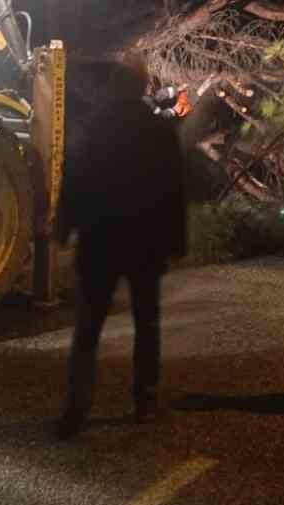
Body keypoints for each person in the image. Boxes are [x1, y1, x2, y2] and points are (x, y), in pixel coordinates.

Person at [55, 55, 188, 438]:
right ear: (142, 86)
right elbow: (172, 189)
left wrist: (65, 228)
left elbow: (74, 179)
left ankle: (76, 411)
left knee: (87, 330)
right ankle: (144, 404)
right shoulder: (157, 130)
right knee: (146, 326)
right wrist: (176, 241)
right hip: (145, 243)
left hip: (99, 241)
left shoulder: (95, 127)